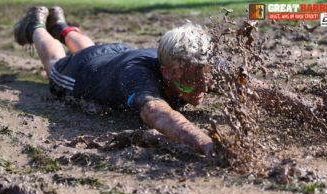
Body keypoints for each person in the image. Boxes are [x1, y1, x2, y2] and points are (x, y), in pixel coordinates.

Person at [14, 6, 214, 156]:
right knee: (56, 63)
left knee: (89, 51)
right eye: (188, 80)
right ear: (166, 72)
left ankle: (61, 27)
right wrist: (206, 145)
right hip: (85, 70)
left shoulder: (196, 61)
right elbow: (158, 114)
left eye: (204, 77)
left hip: (116, 54)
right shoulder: (139, 76)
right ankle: (35, 26)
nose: (201, 86)